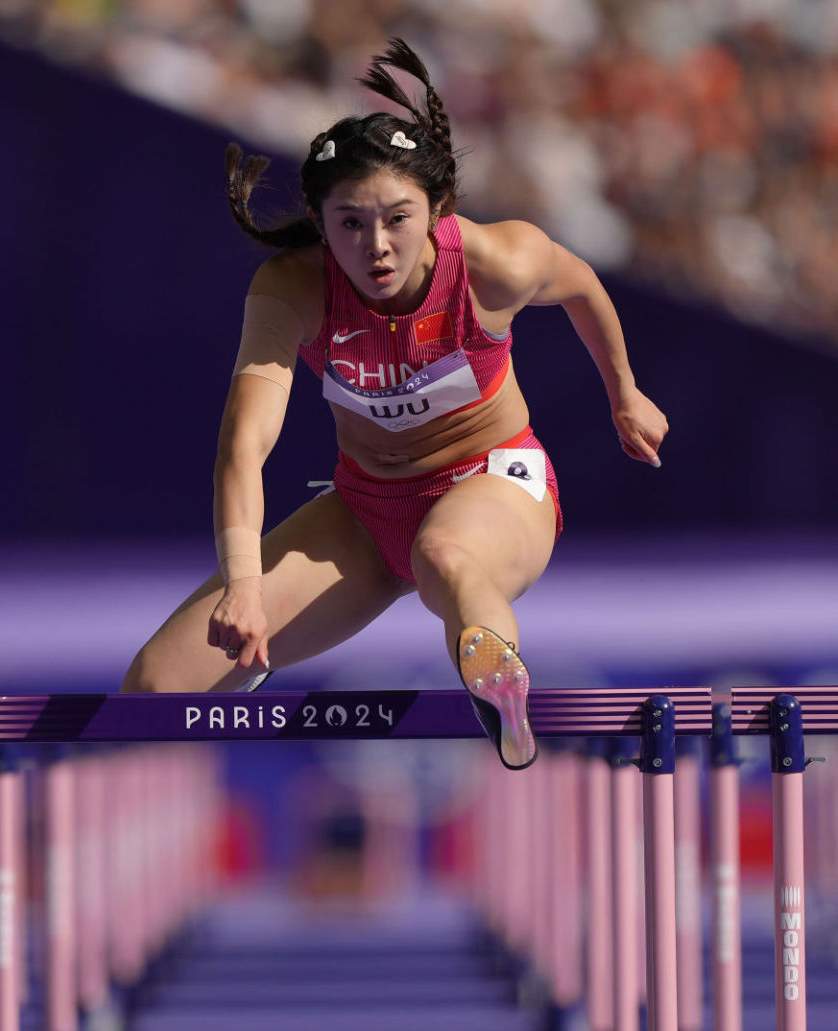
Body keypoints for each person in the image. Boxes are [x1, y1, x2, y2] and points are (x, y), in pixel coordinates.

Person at [121, 38, 668, 768]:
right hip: (364, 508)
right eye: (349, 222)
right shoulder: (294, 289)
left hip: (494, 479)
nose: (375, 247)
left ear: (438, 208)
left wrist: (624, 391)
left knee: (445, 553)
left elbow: (583, 287)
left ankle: (499, 681)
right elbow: (244, 446)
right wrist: (245, 586)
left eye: (397, 219)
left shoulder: (494, 262)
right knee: (157, 688)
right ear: (320, 222)